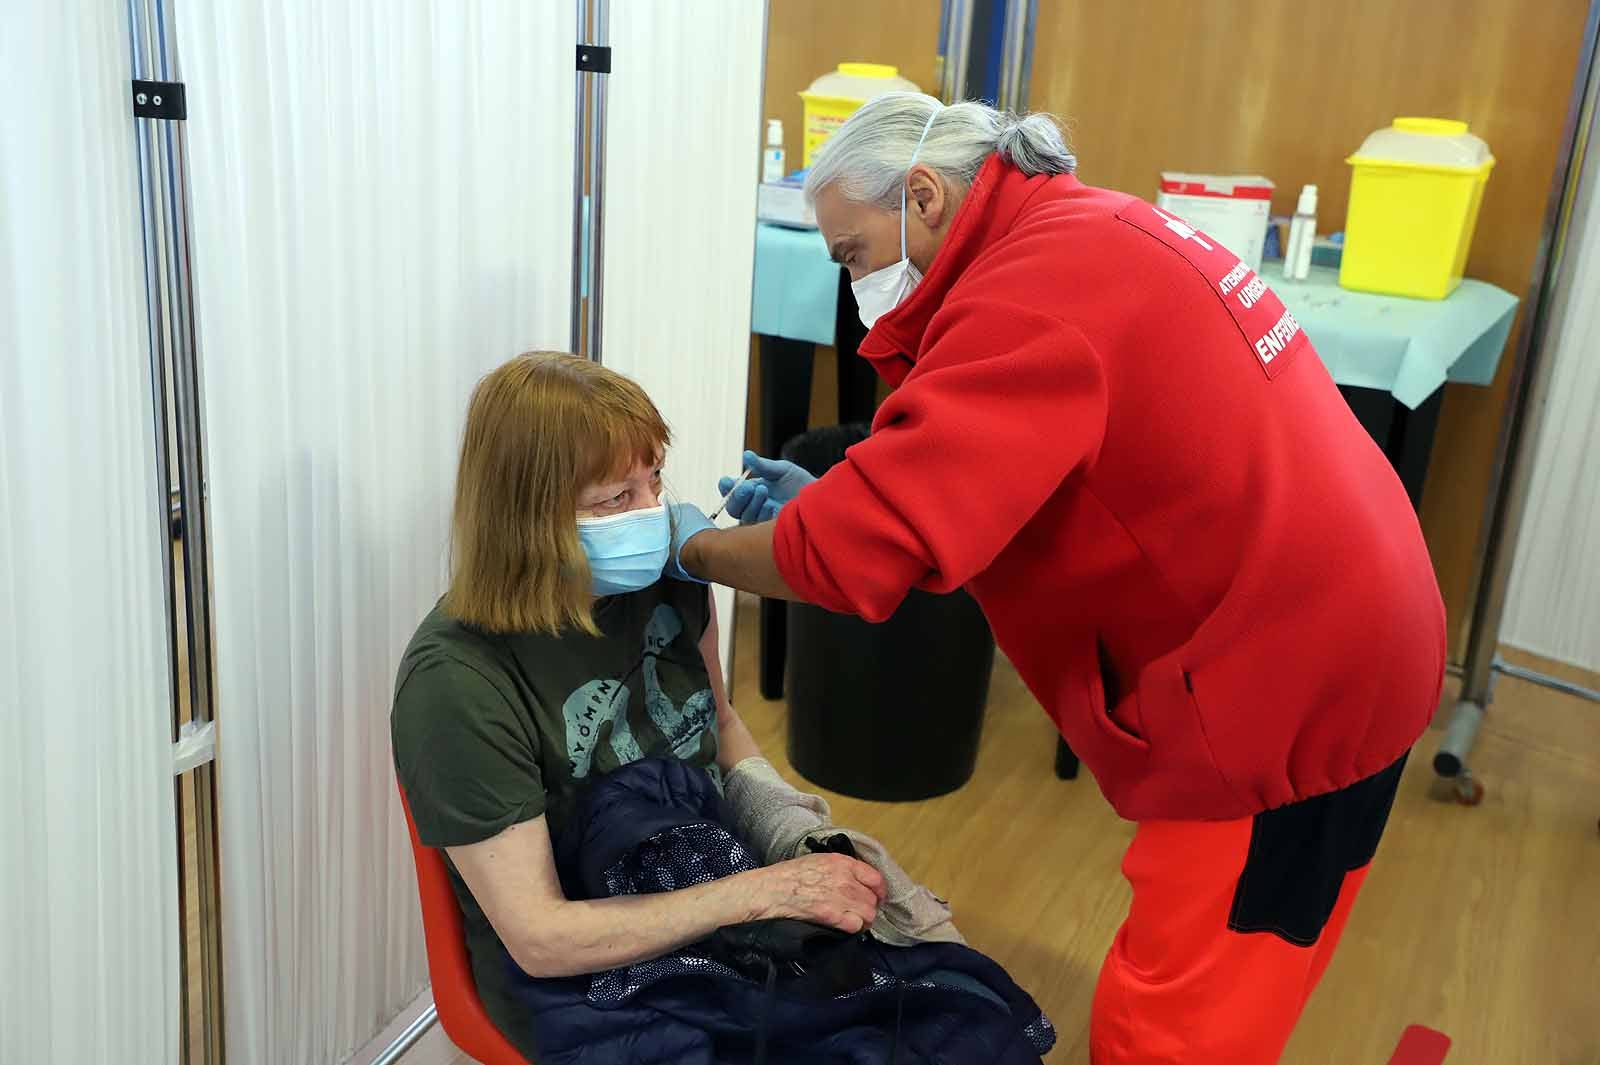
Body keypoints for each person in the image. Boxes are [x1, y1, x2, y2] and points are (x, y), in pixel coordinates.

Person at [670, 94, 1446, 1065]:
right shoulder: (1083, 228)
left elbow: (864, 553)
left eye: (852, 255)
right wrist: (838, 492)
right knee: (1227, 978)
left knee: (1180, 1022)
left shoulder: (1030, 293)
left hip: (1289, 687)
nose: (855, 284)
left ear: (922, 195)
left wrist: (686, 551)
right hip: (1344, 622)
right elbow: (1008, 477)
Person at [391, 353, 1054, 1064]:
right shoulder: (458, 681)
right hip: (589, 971)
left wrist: (795, 834)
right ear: (527, 518)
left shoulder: (664, 580)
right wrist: (764, 892)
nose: (653, 515)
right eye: (617, 499)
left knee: (954, 1012)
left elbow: (721, 726)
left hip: (712, 879)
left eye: (654, 480)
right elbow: (541, 935)